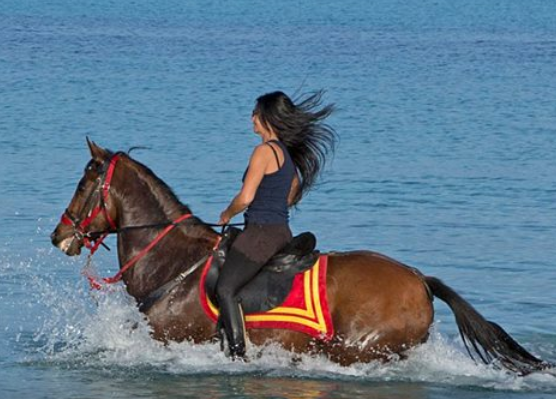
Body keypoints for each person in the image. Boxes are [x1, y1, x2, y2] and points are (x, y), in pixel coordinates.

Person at [216, 90, 337, 359]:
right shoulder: (286, 156)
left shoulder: (263, 151)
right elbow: (292, 191)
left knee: (225, 289)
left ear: (267, 118)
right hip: (281, 232)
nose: (251, 119)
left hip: (260, 234)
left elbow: (246, 198)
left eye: (255, 114)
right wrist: (272, 204)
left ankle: (237, 357)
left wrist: (226, 214)